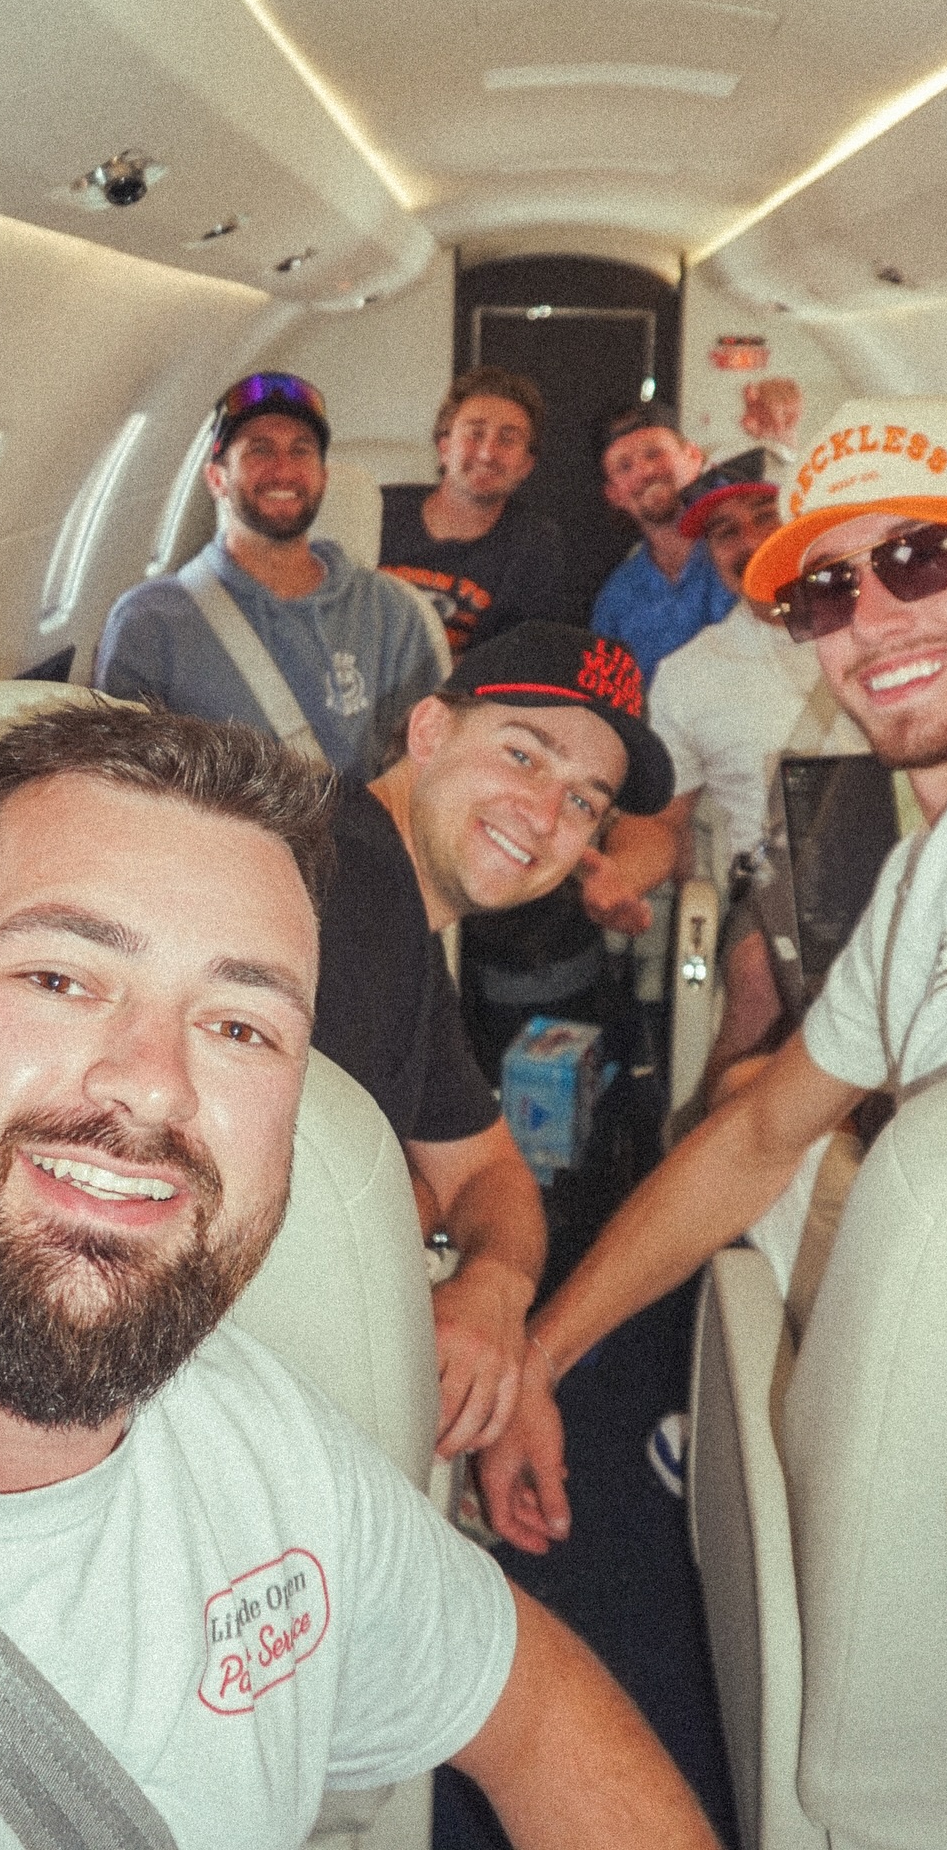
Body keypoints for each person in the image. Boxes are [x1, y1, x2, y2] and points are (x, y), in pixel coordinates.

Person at [0, 698, 719, 1849]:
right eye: (59, 978)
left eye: (240, 1027)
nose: (155, 1084)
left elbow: (535, 1708)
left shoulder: (262, 1443)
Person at [477, 393, 947, 1557]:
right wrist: (537, 1358)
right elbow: (755, 1141)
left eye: (922, 556)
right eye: (827, 591)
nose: (872, 620)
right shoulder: (918, 882)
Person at [313, 621, 675, 1459]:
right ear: (430, 730)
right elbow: (312, 1244)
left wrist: (495, 1290)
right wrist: (417, 1202)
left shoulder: (398, 920)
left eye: (584, 802)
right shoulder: (337, 890)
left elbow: (490, 1171)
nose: (545, 816)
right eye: (523, 755)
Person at [581, 448, 868, 1103]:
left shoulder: (882, 626)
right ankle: (709, 1129)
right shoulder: (691, 674)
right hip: (772, 892)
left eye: (766, 517)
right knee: (758, 971)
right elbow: (661, 820)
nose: (748, 542)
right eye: (724, 532)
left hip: (903, 868)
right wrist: (621, 873)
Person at [95, 372, 448, 782]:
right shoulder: (147, 623)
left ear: (323, 477)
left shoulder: (396, 615)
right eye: (259, 450)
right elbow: (122, 784)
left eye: (301, 450)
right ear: (217, 479)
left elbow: (430, 772)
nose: (283, 470)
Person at [379, 366, 576, 658]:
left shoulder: (535, 544)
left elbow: (516, 663)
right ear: (444, 448)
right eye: (475, 433)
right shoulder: (376, 510)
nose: (487, 453)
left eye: (507, 439)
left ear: (526, 465)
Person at [590, 405, 736, 686]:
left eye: (654, 454)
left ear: (693, 456)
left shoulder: (746, 545)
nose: (645, 471)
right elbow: (609, 700)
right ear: (614, 494)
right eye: (625, 466)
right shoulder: (615, 602)